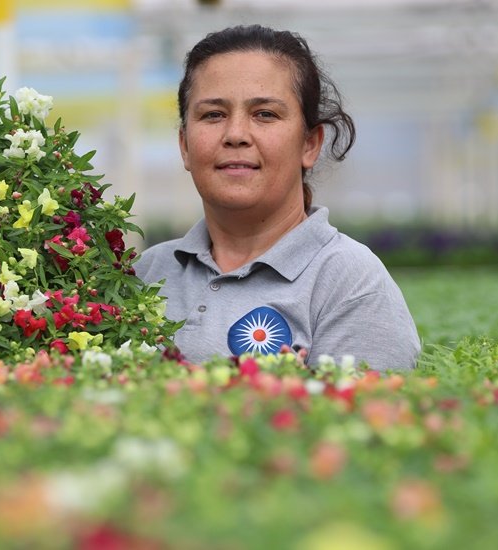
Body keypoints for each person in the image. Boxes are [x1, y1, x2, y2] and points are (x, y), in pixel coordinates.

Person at [135, 24, 420, 371]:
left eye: (265, 114)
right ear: (184, 146)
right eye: (213, 115)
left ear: (310, 144)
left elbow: (366, 416)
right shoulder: (149, 271)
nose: (236, 134)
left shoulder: (348, 281)